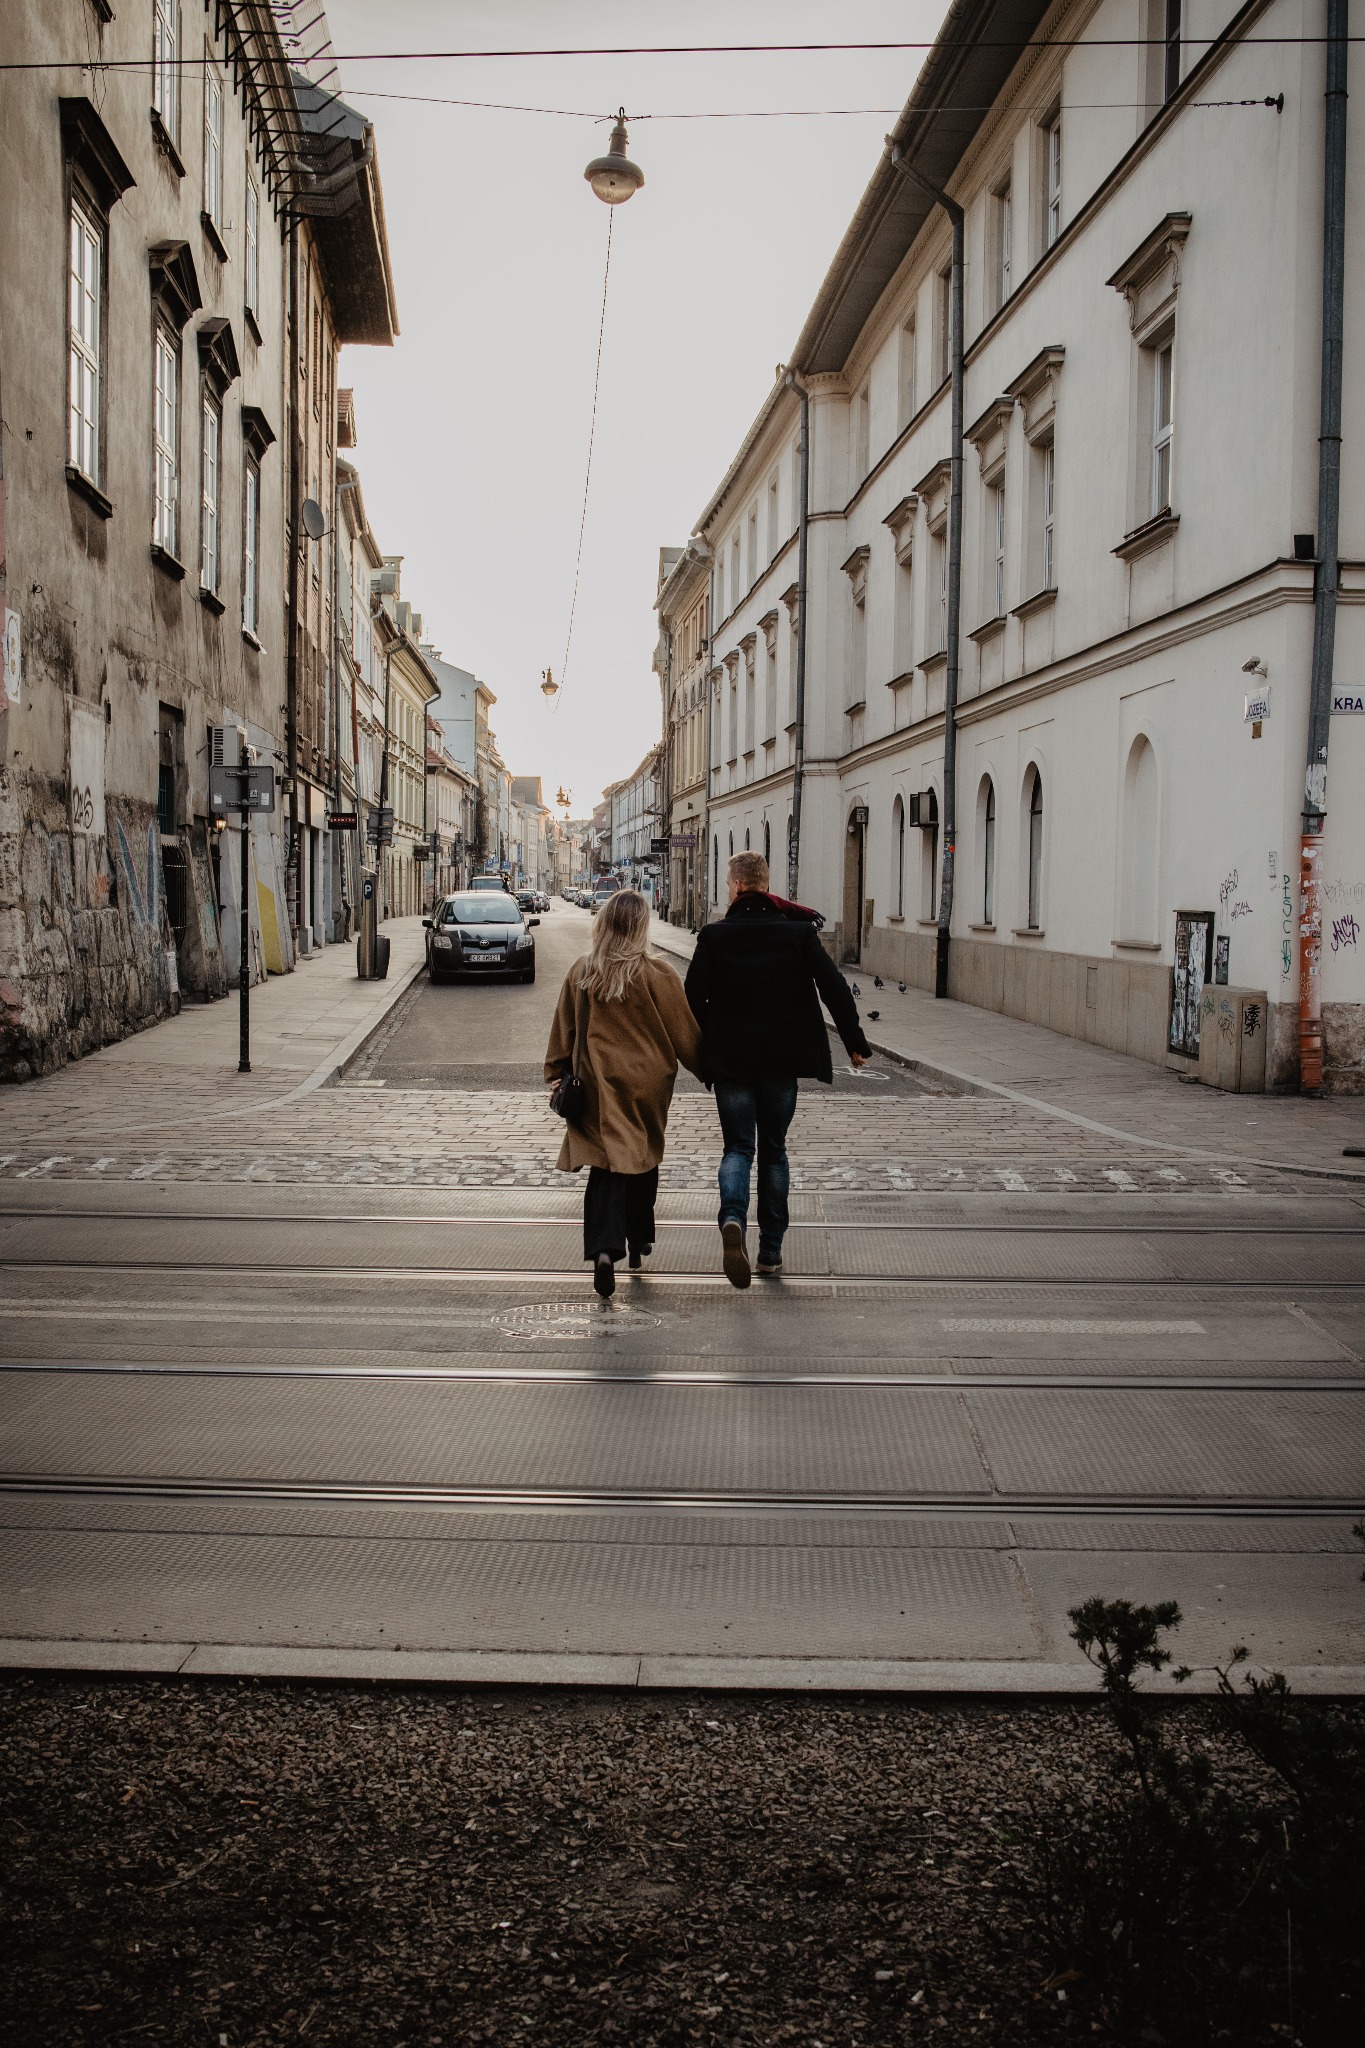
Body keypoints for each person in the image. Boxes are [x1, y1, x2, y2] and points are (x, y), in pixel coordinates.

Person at [685, 851, 870, 1288]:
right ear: (766, 885)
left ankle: (733, 1218)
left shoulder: (715, 935)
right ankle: (770, 1252)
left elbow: (691, 997)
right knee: (774, 1150)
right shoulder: (798, 933)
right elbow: (834, 987)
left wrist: (708, 1041)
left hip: (732, 1062)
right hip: (782, 1061)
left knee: (737, 1148)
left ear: (736, 886)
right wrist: (854, 1042)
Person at [545, 888, 701, 1299]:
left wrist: (556, 1071)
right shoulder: (659, 973)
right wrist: (712, 1072)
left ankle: (604, 1249)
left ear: (604, 924)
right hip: (647, 1083)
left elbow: (564, 1026)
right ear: (640, 927)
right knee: (642, 1155)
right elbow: (685, 1033)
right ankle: (639, 1237)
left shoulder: (583, 970)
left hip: (597, 1083)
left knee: (606, 1164)